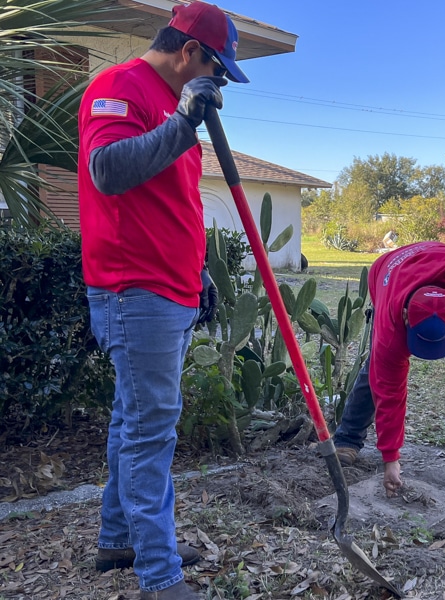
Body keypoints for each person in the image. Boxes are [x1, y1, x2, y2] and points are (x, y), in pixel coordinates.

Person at [77, 2, 248, 598]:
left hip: (167, 289)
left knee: (132, 421)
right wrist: (181, 123)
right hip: (136, 290)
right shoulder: (120, 86)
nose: (219, 81)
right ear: (188, 52)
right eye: (217, 68)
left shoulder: (173, 106)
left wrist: (197, 273)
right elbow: (106, 170)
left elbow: (173, 203)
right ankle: (160, 574)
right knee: (152, 431)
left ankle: (118, 539)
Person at [333, 241, 445, 498]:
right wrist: (391, 459)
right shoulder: (392, 325)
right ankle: (348, 438)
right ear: (407, 318)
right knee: (376, 371)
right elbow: (390, 394)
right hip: (389, 276)